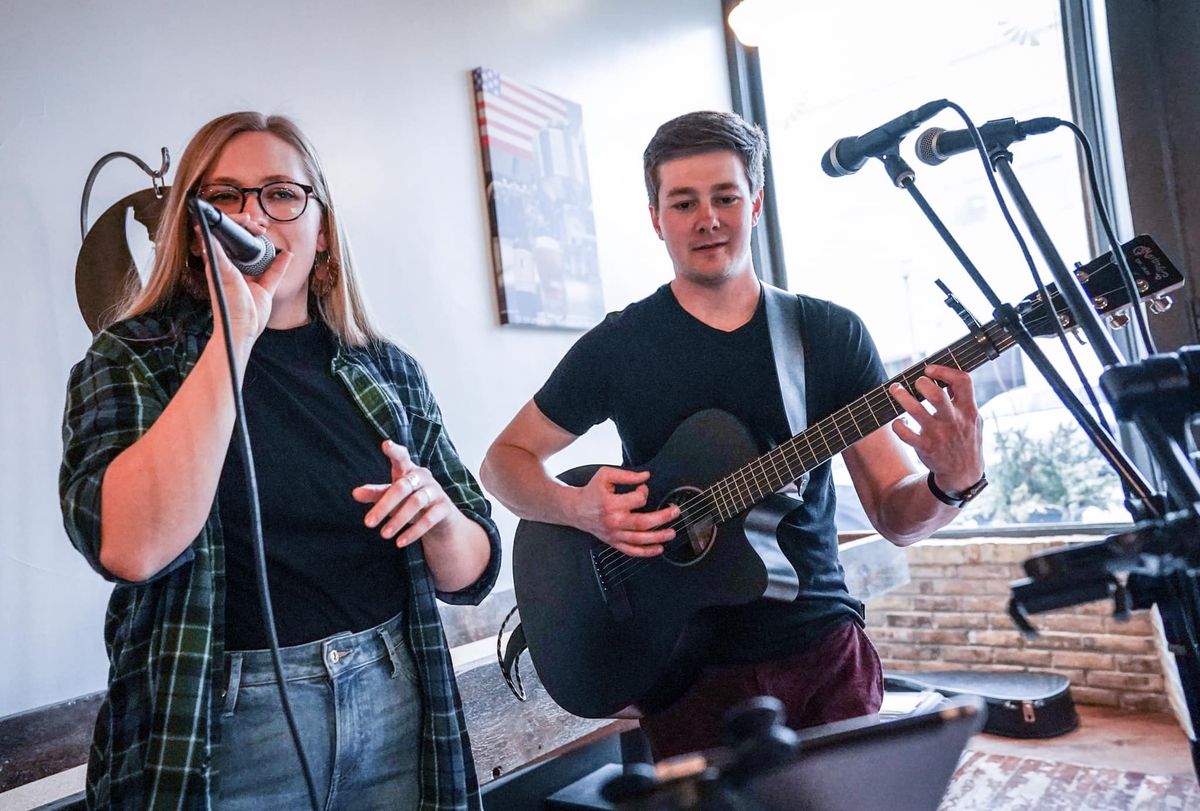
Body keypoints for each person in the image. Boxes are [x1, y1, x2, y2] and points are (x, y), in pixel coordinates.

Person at [480, 111, 985, 760]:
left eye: (725, 197)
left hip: (822, 655)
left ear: (757, 203)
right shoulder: (619, 346)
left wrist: (952, 481)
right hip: (686, 670)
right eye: (683, 202)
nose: (707, 218)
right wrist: (577, 507)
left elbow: (895, 512)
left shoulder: (827, 336)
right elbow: (502, 464)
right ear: (656, 218)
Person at [60, 112, 501, 809]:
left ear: (321, 227)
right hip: (224, 724)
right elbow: (132, 547)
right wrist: (238, 330)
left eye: (280, 194)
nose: (255, 217)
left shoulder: (387, 370)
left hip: (392, 700)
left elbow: (472, 570)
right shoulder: (131, 359)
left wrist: (442, 518)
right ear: (198, 234)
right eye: (226, 198)